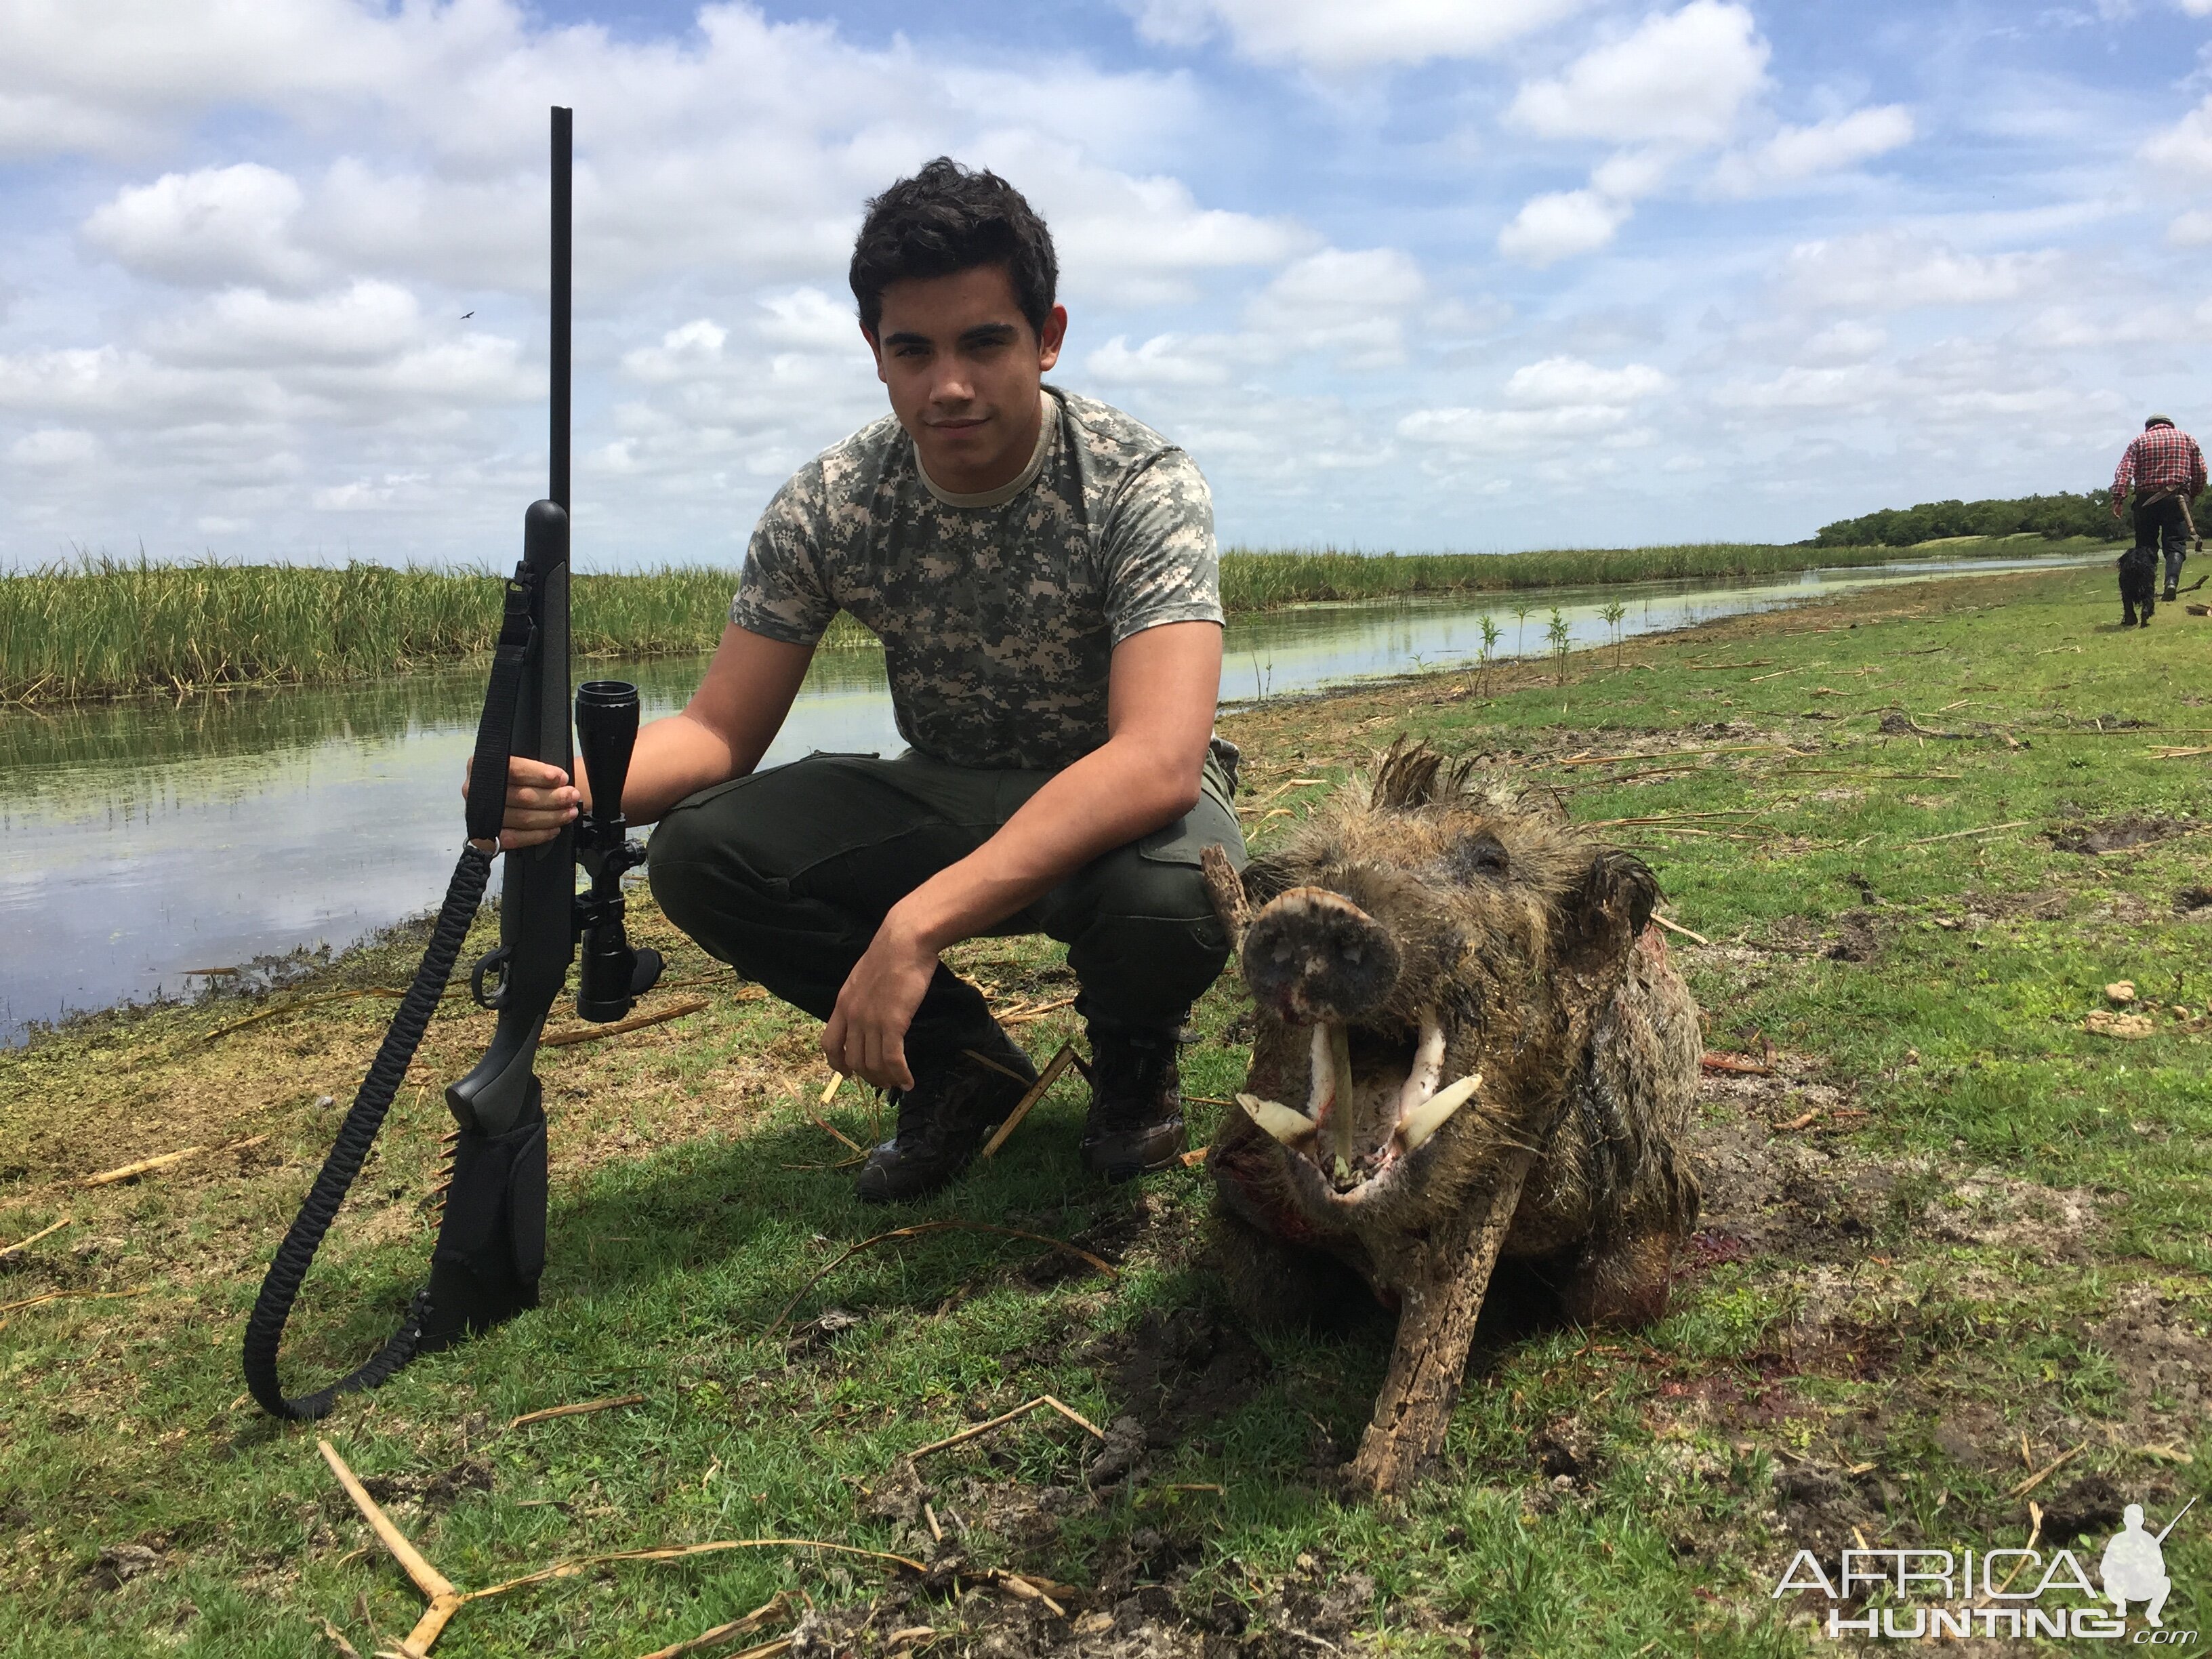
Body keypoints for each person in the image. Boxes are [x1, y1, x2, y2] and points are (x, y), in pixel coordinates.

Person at [477, 159, 1243, 1204]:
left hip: (1122, 809)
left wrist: (915, 924)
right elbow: (715, 732)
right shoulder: (830, 501)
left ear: (1048, 336)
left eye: (985, 343)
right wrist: (558, 784)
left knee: (1175, 899)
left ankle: (1133, 1062)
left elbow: (1156, 761)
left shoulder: (1141, 482)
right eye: (913, 350)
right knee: (700, 852)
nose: (950, 386)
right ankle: (961, 1069)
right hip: (950, 789)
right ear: (875, 353)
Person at [2110, 413, 2206, 623]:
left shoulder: (2139, 441)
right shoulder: (2187, 438)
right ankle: (2171, 582)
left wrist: (2118, 498)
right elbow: (2200, 471)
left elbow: (2124, 472)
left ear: (2149, 427)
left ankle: (2147, 590)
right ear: (2170, 425)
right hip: (2178, 498)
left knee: (2145, 547)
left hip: (2146, 501)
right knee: (2175, 544)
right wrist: (2194, 494)